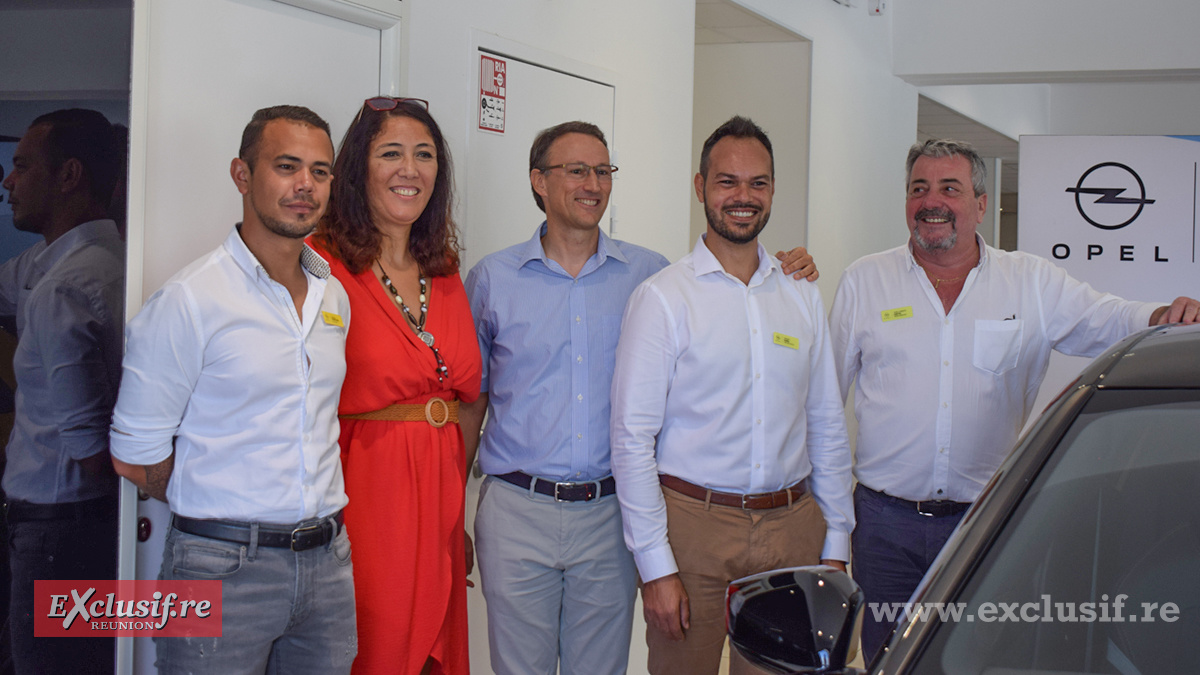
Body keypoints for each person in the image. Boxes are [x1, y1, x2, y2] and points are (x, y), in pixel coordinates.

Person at [460, 120, 819, 675]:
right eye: (576, 170)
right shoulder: (492, 279)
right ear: (539, 181)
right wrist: (448, 512)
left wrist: (786, 266)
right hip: (517, 508)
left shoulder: (651, 277)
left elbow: (729, 283)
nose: (593, 183)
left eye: (603, 171)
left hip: (608, 512)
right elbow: (473, 401)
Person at [829, 138, 1200, 661]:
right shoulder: (865, 281)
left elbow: (1106, 317)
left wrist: (1162, 316)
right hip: (884, 527)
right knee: (890, 657)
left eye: (949, 188)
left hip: (985, 523)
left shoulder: (1030, 282)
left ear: (980, 204)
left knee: (973, 658)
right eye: (919, 188)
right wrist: (829, 527)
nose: (931, 201)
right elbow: (825, 403)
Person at [110, 105, 356, 674]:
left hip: (327, 564)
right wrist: (221, 506)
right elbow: (134, 457)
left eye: (320, 172)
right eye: (287, 166)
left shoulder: (333, 295)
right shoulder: (192, 300)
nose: (305, 186)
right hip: (220, 568)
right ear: (242, 175)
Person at [609, 116, 854, 675]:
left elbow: (826, 423)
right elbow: (631, 439)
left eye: (758, 183)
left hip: (793, 526)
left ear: (772, 190)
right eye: (727, 182)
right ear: (700, 188)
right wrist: (656, 568)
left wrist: (836, 538)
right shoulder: (664, 299)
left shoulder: (801, 292)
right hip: (694, 531)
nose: (743, 197)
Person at [309, 97, 481, 675]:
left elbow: (467, 400)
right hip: (366, 494)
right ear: (359, 169)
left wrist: (456, 504)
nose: (411, 169)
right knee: (377, 648)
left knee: (437, 654)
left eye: (425, 155)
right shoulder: (321, 264)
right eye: (392, 154)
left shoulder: (446, 271)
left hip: (441, 497)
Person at [1, 108, 124, 675]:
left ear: (69, 175)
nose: (9, 180)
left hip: (60, 534)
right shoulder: (110, 259)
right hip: (96, 528)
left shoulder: (65, 288)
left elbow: (90, 450)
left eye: (22, 166)